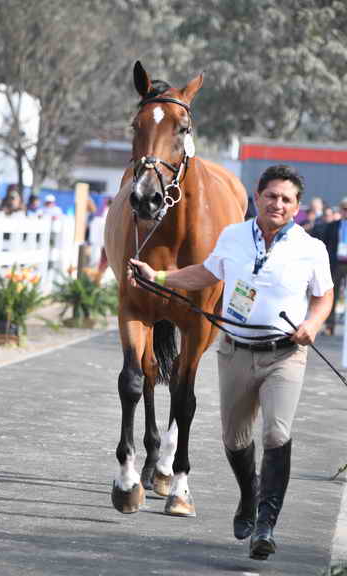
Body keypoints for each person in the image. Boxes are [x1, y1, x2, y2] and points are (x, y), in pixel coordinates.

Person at [128, 164, 333, 561]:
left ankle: (265, 526)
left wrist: (313, 323)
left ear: (297, 207)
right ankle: (249, 497)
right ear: (258, 198)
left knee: (276, 434)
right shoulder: (233, 236)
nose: (278, 203)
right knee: (234, 439)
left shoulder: (312, 248)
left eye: (286, 199)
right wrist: (159, 276)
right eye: (271, 196)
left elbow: (324, 297)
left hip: (285, 356)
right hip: (236, 351)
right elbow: (206, 273)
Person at [324, 197, 347, 335]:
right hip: (337, 264)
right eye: (344, 209)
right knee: (333, 294)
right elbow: (325, 244)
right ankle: (329, 325)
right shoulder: (333, 226)